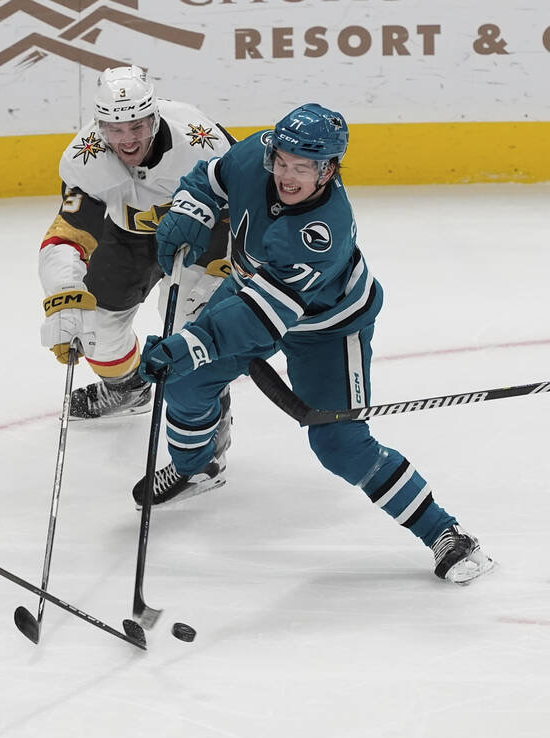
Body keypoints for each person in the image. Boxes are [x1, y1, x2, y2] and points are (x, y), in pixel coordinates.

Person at [137, 102, 494, 584]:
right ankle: (199, 466)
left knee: (339, 444)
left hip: (327, 327)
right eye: (282, 161)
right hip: (253, 289)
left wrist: (188, 344)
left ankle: (445, 533)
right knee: (185, 385)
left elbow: (259, 319)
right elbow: (209, 179)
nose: (287, 174)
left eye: (302, 167)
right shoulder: (256, 153)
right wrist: (189, 211)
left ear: (328, 169)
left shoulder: (319, 231)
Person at [38, 64, 236, 432]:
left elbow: (245, 204)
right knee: (95, 325)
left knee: (193, 332)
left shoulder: (201, 140)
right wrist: (64, 294)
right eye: (115, 129)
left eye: (137, 126)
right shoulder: (86, 156)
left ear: (155, 117)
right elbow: (69, 234)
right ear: (100, 126)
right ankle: (128, 390)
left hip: (203, 235)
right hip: (129, 234)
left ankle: (206, 430)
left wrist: (228, 265)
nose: (127, 140)